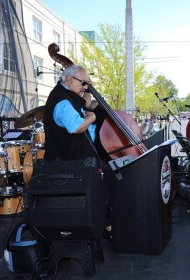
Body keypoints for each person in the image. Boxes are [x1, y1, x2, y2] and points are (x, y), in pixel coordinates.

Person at [43, 64, 113, 238]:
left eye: (87, 83)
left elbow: (85, 106)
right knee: (107, 178)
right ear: (69, 79)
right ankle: (105, 224)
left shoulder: (68, 95)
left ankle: (104, 222)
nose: (85, 87)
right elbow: (76, 127)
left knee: (108, 174)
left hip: (74, 157)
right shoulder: (63, 101)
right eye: (83, 83)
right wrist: (92, 117)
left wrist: (87, 94)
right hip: (69, 162)